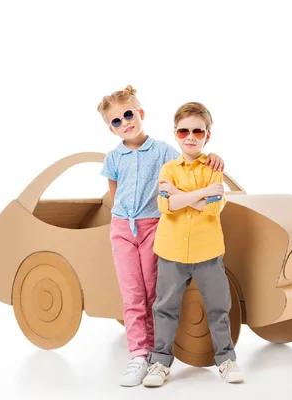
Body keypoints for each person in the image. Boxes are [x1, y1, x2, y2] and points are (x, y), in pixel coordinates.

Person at [97, 86, 225, 387]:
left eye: (128, 114)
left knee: (155, 292)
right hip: (122, 229)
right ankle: (138, 354)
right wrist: (120, 222)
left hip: (154, 226)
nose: (125, 123)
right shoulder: (113, 158)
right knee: (132, 294)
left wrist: (214, 156)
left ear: (140, 113)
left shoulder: (165, 152)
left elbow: (193, 158)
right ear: (110, 128)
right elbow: (114, 197)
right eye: (116, 121)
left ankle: (156, 354)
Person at [143, 102, 244, 387]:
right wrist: (199, 194)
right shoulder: (168, 168)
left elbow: (212, 209)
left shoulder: (214, 167)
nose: (190, 136)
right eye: (183, 131)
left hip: (207, 251)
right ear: (175, 133)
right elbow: (165, 205)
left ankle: (226, 359)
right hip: (171, 251)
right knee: (165, 307)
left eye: (197, 131)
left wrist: (180, 195)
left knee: (217, 306)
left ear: (207, 135)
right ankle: (159, 362)